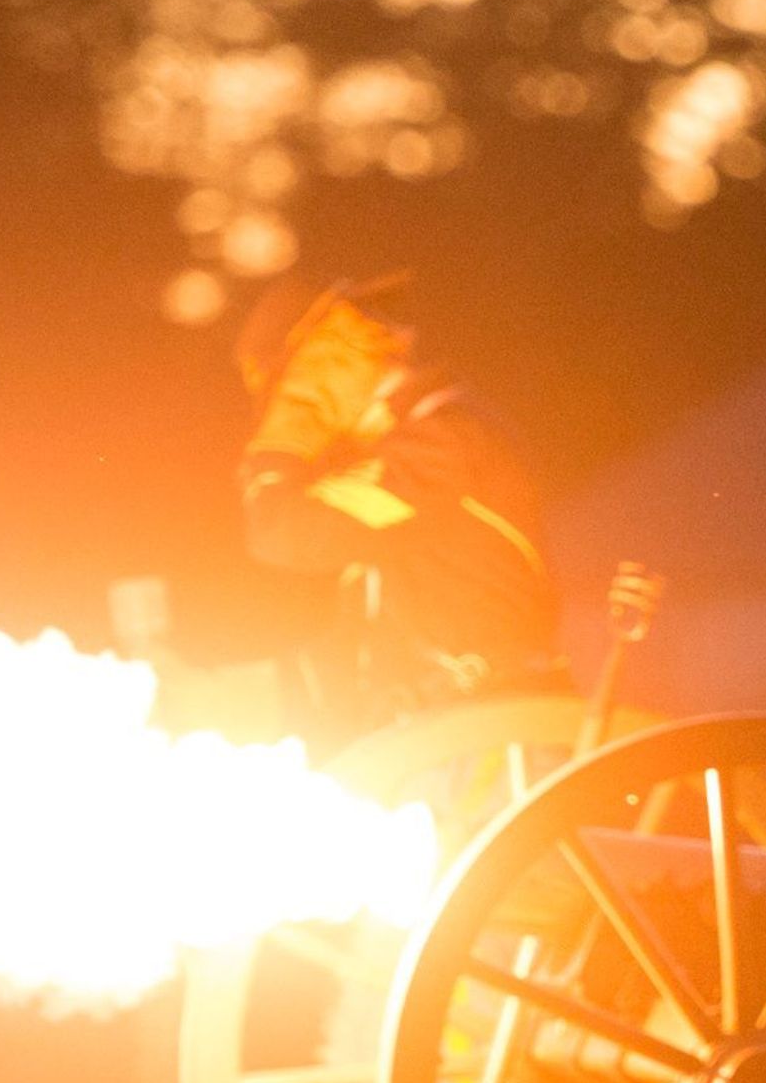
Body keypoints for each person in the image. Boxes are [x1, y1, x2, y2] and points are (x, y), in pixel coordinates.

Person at [232, 274, 560, 739]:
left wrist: (280, 445)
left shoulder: (441, 443)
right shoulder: (413, 444)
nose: (285, 408)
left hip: (489, 736)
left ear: (324, 361)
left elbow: (283, 531)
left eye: (289, 390)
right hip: (450, 730)